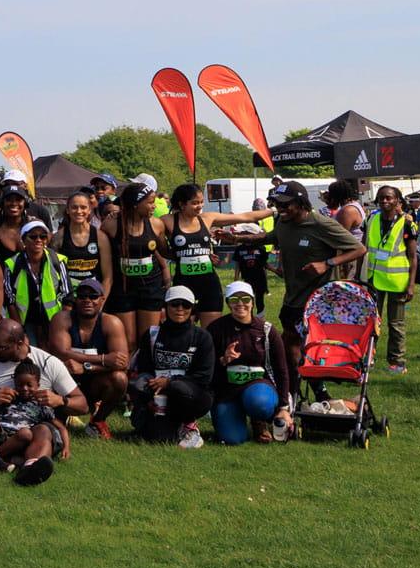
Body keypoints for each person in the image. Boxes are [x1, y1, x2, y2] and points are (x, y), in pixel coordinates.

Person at [220, 180, 368, 370]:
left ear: (300, 203)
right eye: (277, 204)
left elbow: (359, 249)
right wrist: (237, 239)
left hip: (316, 297)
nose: (280, 208)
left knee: (297, 342)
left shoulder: (321, 225)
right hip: (293, 293)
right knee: (289, 340)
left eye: (285, 204)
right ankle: (293, 381)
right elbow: (268, 237)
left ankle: (307, 385)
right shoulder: (284, 221)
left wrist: (327, 263)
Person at [0, 319, 85, 473]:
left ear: (19, 343)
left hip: (32, 431)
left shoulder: (48, 362)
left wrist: (60, 400)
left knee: (43, 430)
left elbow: (83, 405)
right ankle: (5, 457)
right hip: (0, 428)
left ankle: (22, 466)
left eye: (0, 348)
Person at [157, 184, 266, 325]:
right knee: (184, 332)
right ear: (182, 204)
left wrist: (274, 211)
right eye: (195, 203)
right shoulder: (168, 221)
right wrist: (176, 255)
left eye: (202, 202)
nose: (200, 206)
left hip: (209, 284)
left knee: (211, 332)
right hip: (184, 283)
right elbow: (158, 244)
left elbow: (245, 216)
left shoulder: (207, 218)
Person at [128, 287, 217, 447]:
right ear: (166, 306)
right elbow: (144, 370)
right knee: (159, 438)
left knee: (178, 388)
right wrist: (149, 398)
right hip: (159, 393)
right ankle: (158, 420)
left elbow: (204, 376)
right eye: (175, 304)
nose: (180, 309)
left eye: (186, 305)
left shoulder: (202, 337)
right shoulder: (152, 334)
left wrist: (169, 382)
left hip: (193, 394)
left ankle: (190, 426)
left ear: (192, 308)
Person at [207, 281, 294, 444]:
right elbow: (205, 368)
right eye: (234, 299)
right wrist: (223, 360)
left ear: (253, 302)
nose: (240, 303)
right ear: (227, 303)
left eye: (245, 298)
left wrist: (283, 408)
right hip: (227, 391)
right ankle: (235, 415)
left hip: (258, 388)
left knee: (259, 403)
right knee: (233, 439)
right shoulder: (215, 329)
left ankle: (259, 422)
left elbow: (282, 370)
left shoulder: (267, 330)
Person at [46, 279, 129, 437]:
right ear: (76, 299)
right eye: (82, 296)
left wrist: (85, 367)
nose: (87, 300)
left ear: (102, 300)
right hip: (65, 382)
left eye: (93, 296)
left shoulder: (112, 323)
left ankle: (98, 421)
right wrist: (105, 359)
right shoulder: (62, 319)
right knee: (52, 428)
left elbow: (122, 363)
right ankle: (59, 417)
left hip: (94, 382)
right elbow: (61, 353)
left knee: (120, 378)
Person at [102, 182, 169, 344]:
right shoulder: (111, 225)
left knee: (148, 339)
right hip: (123, 288)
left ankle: (147, 369)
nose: (154, 206)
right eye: (150, 202)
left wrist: (166, 269)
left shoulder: (156, 224)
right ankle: (129, 369)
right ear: (135, 205)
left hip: (150, 286)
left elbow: (162, 250)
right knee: (128, 340)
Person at [363, 184, 418, 373]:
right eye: (382, 198)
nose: (385, 201)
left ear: (398, 201)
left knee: (396, 324)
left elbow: (413, 257)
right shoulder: (372, 219)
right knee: (371, 320)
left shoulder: (407, 223)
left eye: (389, 198)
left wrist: (411, 285)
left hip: (397, 282)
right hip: (373, 279)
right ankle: (368, 356)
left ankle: (397, 362)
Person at [2, 220, 70, 346]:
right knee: (31, 353)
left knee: (54, 355)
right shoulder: (12, 264)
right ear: (23, 239)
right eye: (33, 236)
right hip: (26, 321)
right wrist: (19, 329)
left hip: (54, 321)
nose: (38, 240)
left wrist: (63, 325)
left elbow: (67, 295)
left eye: (42, 236)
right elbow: (9, 299)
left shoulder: (58, 261)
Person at [54, 192, 112, 297]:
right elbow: (53, 275)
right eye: (74, 207)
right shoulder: (58, 238)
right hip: (68, 298)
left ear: (89, 210)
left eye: (83, 207)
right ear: (67, 210)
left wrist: (100, 302)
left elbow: (108, 277)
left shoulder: (100, 237)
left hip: (93, 299)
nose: (79, 211)